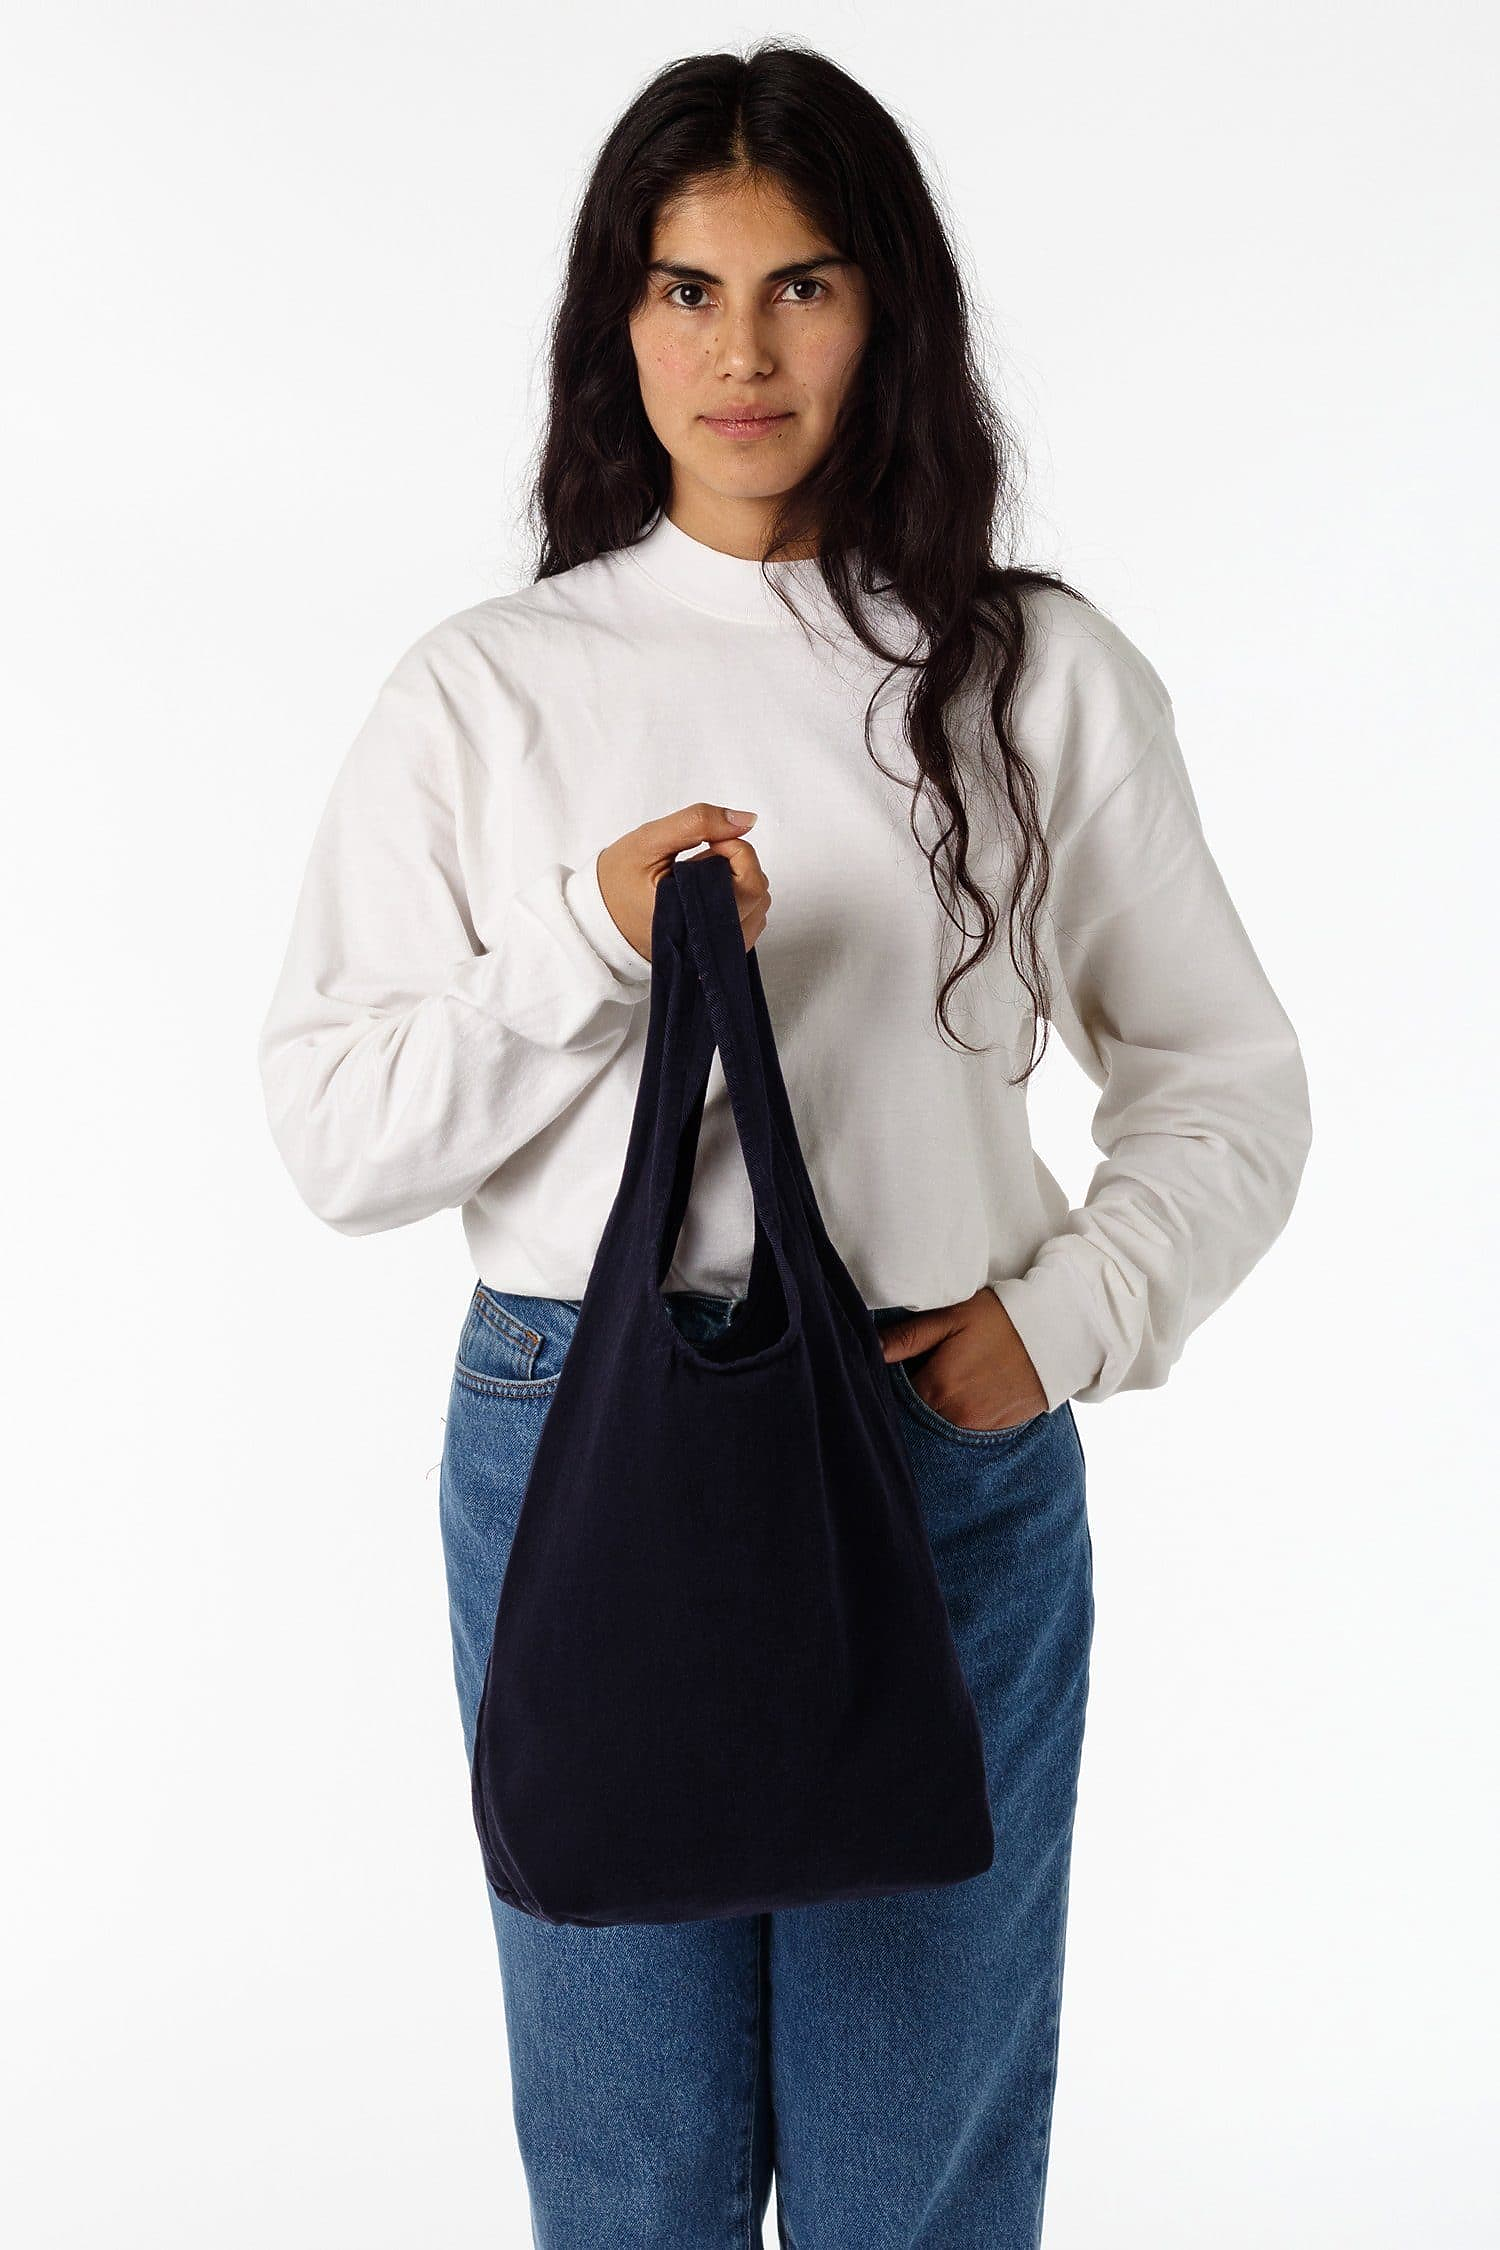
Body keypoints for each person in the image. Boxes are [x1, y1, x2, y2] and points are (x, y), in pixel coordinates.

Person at [256, 41, 1312, 2250]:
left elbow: (1225, 1074)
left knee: (915, 2176)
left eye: (802, 285)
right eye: (686, 290)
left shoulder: (1032, 673)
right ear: (617, 324)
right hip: (579, 1426)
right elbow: (337, 1131)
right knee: (629, 2170)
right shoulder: (490, 688)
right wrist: (590, 940)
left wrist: (1071, 1318)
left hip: (938, 1427)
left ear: (884, 308)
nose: (741, 353)